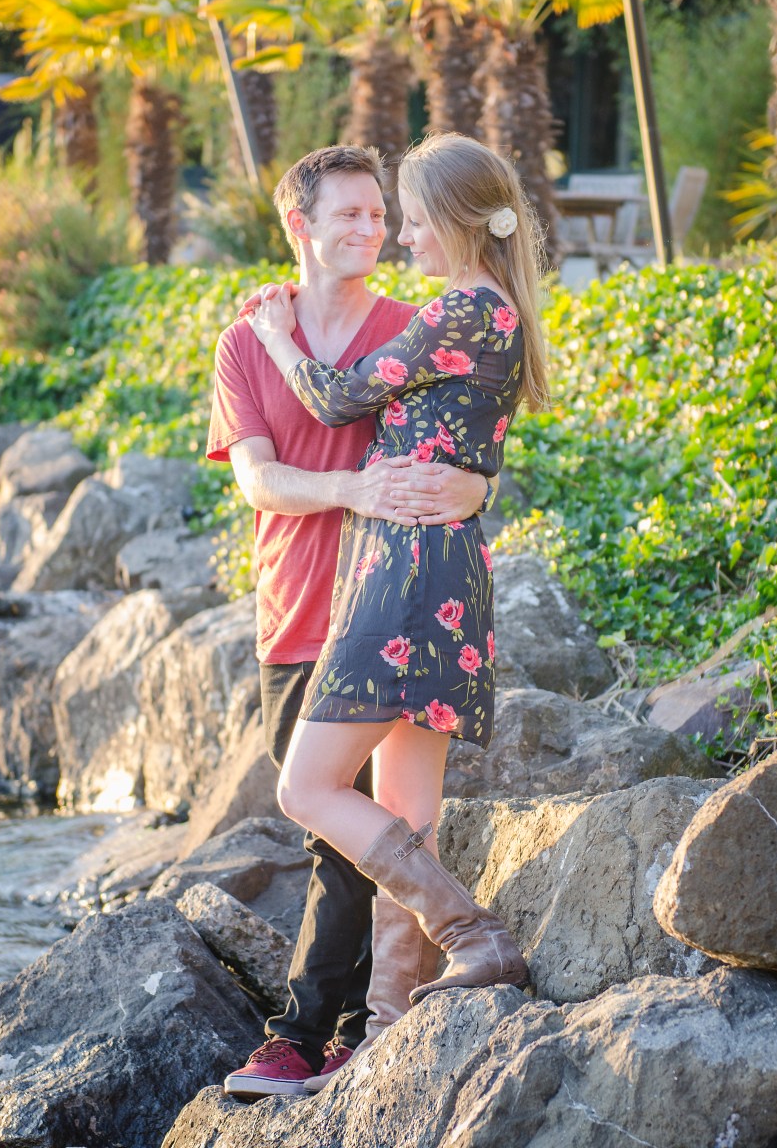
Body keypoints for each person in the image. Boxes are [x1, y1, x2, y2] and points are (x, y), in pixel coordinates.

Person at [245, 132, 549, 1067]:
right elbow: (466, 446)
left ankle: (472, 937)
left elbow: (339, 399)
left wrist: (273, 334)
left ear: (457, 219)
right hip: (441, 565)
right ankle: (383, 1033)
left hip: (406, 572)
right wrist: (475, 485)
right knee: (405, 810)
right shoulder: (492, 309)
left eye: (410, 218)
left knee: (306, 787)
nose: (399, 236)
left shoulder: (462, 306)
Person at [206, 144, 492, 1099]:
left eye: (380, 212)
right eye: (352, 214)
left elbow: (461, 442)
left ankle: (310, 1039)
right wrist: (354, 487)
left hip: (386, 605)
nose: (373, 230)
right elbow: (259, 480)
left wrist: (476, 485)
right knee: (333, 829)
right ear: (300, 225)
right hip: (296, 612)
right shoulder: (247, 342)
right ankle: (353, 1032)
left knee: (362, 830)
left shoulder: (411, 326)